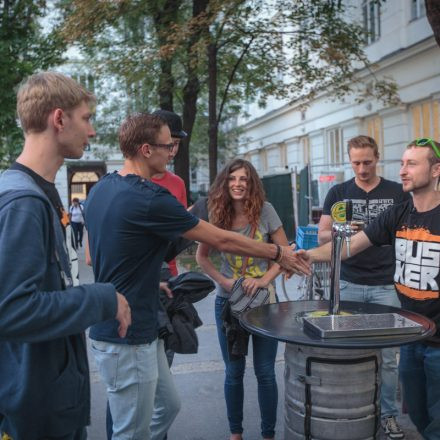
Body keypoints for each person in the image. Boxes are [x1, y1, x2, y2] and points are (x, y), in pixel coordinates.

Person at [85, 113, 308, 440]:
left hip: (140, 325)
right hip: (126, 334)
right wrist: (279, 253)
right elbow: (223, 240)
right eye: (167, 145)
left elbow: (114, 251)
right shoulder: (148, 197)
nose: (172, 152)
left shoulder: (103, 187)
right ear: (146, 149)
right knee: (129, 431)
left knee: (168, 405)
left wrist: (149, 277)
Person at [0, 71, 131, 440]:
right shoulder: (23, 202)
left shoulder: (29, 192)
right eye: (86, 118)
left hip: (41, 400)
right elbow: (11, 309)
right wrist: (103, 298)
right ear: (59, 119)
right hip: (35, 414)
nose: (92, 132)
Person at [299, 138, 440, 440]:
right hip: (412, 330)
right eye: (402, 163)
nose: (403, 170)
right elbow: (346, 249)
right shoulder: (398, 213)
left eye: (412, 164)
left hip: (430, 331)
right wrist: (297, 255)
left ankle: (397, 420)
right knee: (417, 412)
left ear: (436, 170)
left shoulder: (405, 202)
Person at [318, 135, 410, 439]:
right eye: (355, 162)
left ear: (378, 158)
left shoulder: (397, 192)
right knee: (346, 354)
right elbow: (321, 236)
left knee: (386, 358)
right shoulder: (339, 192)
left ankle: (388, 415)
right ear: (349, 160)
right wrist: (343, 233)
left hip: (387, 283)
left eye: (367, 162)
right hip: (349, 282)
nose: (361, 168)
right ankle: (350, 412)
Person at [195, 159, 288, 440]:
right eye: (233, 178)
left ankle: (268, 434)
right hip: (228, 303)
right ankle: (236, 434)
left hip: (265, 304)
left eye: (244, 179)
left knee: (265, 373)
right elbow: (202, 257)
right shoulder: (217, 214)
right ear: (226, 183)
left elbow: (284, 255)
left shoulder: (266, 211)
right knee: (234, 372)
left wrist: (262, 280)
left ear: (252, 184)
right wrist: (223, 282)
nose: (238, 184)